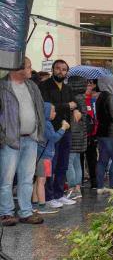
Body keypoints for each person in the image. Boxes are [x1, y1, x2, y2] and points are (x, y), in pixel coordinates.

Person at [0, 57, 47, 224]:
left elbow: (40, 108)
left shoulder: (32, 86)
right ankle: (6, 213)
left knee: (27, 179)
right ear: (17, 68)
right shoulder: (2, 87)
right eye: (28, 67)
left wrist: (39, 132)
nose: (30, 70)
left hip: (31, 139)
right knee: (6, 179)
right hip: (10, 141)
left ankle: (25, 212)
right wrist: (2, 136)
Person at [38, 59, 80, 207]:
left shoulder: (68, 88)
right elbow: (47, 106)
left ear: (67, 72)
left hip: (66, 130)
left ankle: (59, 194)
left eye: (64, 69)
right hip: (51, 130)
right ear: (52, 69)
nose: (60, 71)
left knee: (63, 164)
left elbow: (75, 103)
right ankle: (49, 197)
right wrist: (68, 106)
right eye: (58, 68)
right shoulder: (44, 86)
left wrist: (76, 110)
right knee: (51, 164)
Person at [35, 102, 71, 213]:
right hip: (45, 156)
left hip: (43, 155)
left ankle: (35, 203)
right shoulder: (47, 124)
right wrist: (63, 128)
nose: (55, 113)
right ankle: (42, 206)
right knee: (42, 181)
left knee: (38, 181)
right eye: (53, 111)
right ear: (46, 112)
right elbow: (54, 138)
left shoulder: (44, 123)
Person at [65, 75, 88, 201]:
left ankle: (72, 188)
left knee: (69, 162)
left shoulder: (74, 99)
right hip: (80, 134)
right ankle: (77, 188)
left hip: (73, 134)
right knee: (77, 162)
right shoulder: (82, 98)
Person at [82, 79, 99, 189]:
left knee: (92, 159)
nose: (88, 87)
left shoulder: (94, 100)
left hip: (93, 134)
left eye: (90, 85)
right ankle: (80, 182)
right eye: (86, 85)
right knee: (80, 159)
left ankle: (94, 181)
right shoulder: (80, 100)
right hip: (82, 134)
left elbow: (97, 117)